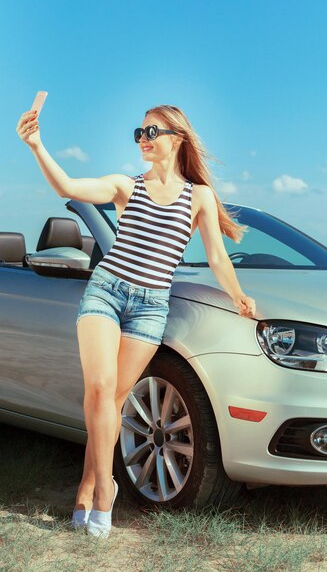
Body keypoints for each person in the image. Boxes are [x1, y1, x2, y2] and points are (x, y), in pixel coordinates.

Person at [16, 103, 257, 538]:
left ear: (177, 138)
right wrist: (36, 145)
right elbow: (67, 185)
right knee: (100, 389)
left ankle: (88, 487)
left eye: (152, 131)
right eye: (139, 132)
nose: (143, 139)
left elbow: (218, 258)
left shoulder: (198, 197)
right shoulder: (127, 186)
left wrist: (239, 296)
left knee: (108, 405)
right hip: (107, 291)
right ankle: (107, 492)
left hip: (151, 306)